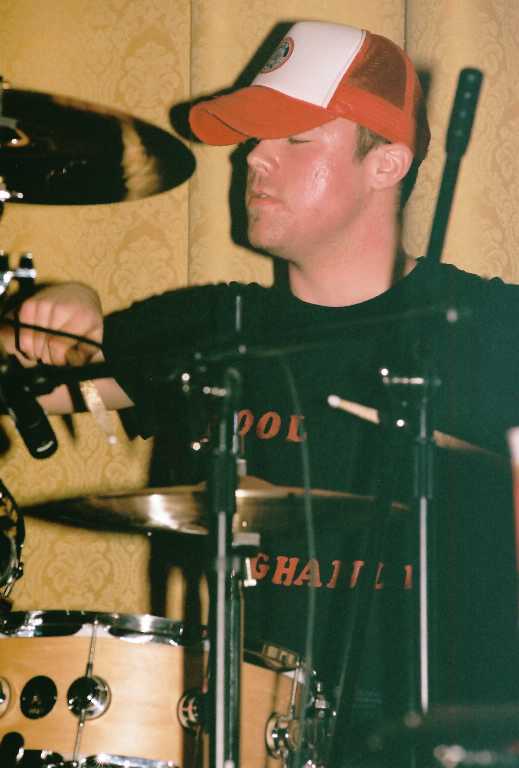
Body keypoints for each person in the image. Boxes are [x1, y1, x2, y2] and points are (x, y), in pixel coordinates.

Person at [3, 19, 519, 766]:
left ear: (386, 164)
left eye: (293, 140)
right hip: (252, 739)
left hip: (449, 743)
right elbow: (32, 381)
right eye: (252, 140)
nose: (254, 158)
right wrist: (53, 313)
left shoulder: (489, 327)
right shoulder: (214, 326)